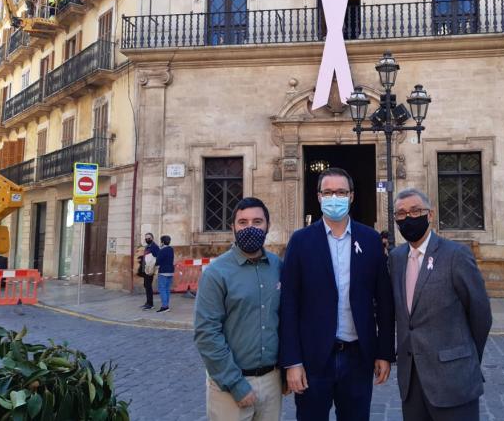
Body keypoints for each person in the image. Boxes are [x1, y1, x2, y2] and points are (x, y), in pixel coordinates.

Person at [279, 167, 395, 421]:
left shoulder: (370, 240)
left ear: (351, 196)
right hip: (313, 358)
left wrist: (384, 353)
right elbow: (289, 304)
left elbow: (384, 301)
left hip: (358, 357)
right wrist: (292, 362)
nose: (335, 197)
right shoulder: (300, 241)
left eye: (341, 192)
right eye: (328, 192)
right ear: (319, 197)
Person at [389, 188, 492, 421]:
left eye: (415, 211)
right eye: (401, 214)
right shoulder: (396, 259)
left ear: (430, 214)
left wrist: (465, 358)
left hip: (453, 379)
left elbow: (481, 314)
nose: (408, 218)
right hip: (412, 381)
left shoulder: (456, 255)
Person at [194, 197, 284, 421]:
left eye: (257, 222)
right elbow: (207, 333)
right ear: (233, 227)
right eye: (243, 222)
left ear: (268, 226)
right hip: (230, 387)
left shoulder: (278, 267)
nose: (250, 228)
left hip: (272, 381)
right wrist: (235, 384)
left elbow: (285, 319)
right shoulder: (216, 273)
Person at [140, 233, 159, 310]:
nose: (147, 239)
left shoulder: (154, 247)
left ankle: (150, 304)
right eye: (146, 238)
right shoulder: (147, 246)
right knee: (146, 285)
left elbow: (157, 257)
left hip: (150, 270)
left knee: (148, 286)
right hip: (145, 269)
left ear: (152, 238)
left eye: (149, 238)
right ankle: (148, 302)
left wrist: (153, 268)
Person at [155, 235, 174, 313]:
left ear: (162, 242)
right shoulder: (171, 249)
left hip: (163, 271)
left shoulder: (162, 250)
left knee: (162, 289)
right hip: (171, 271)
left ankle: (164, 306)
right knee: (167, 289)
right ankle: (166, 305)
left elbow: (158, 261)